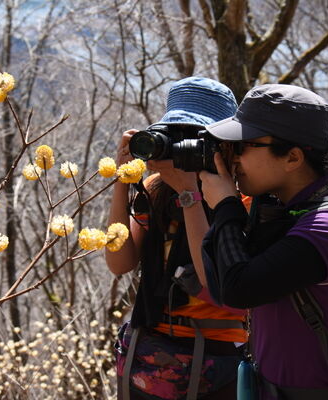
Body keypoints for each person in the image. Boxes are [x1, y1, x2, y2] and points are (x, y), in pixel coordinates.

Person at [198, 84, 328, 399]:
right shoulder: (287, 210)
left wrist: (225, 206)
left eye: (243, 146)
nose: (233, 158)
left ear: (292, 157)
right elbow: (220, 281)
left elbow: (239, 289)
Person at [105, 77, 247, 400]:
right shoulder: (156, 189)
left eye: (196, 137)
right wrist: (122, 181)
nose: (184, 146)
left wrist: (189, 193)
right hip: (152, 355)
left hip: (216, 360)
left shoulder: (239, 200)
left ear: (223, 144)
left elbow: (214, 280)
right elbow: (119, 263)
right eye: (175, 134)